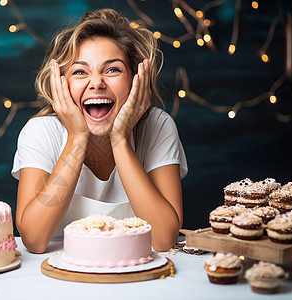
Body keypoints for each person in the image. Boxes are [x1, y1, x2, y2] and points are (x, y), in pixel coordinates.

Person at [11, 8, 187, 253]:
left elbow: (164, 239)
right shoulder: (40, 132)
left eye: (112, 69)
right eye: (80, 71)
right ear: (61, 83)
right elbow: (34, 239)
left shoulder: (158, 126)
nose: (96, 83)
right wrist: (76, 138)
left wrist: (120, 140)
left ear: (136, 79)